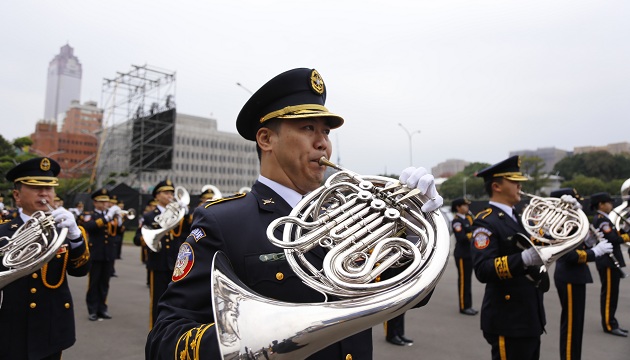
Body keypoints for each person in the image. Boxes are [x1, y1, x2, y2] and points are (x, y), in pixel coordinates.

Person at [146, 68, 443, 359]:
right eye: (307, 128)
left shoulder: (349, 212)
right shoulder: (224, 221)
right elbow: (166, 339)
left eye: (325, 131)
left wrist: (411, 231)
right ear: (266, 139)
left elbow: (408, 295)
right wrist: (247, 343)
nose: (322, 142)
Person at [0, 157, 91, 359]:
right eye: (36, 187)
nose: (44, 193)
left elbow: (80, 270)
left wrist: (76, 237)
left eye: (49, 188)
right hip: (10, 325)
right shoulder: (3, 231)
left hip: (51, 325)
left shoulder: (66, 231)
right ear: (17, 195)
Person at [470, 155, 547, 360]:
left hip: (529, 315)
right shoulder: (485, 222)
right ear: (496, 186)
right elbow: (483, 269)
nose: (519, 186)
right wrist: (524, 259)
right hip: (508, 319)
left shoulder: (518, 218)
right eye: (514, 182)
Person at [551, 188, 612, 359]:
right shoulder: (560, 222)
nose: (576, 205)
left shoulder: (568, 221)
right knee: (571, 325)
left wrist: (590, 242)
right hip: (569, 277)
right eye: (572, 202)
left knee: (576, 325)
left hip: (574, 276)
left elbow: (576, 247)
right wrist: (595, 252)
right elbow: (568, 255)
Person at [134, 179, 191, 330]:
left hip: (176, 262)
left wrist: (186, 213)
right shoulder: (149, 216)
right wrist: (149, 239)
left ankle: (172, 328)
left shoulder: (178, 213)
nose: (170, 196)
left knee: (177, 298)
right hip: (158, 262)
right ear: (157, 196)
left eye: (171, 193)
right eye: (166, 193)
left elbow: (187, 232)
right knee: (158, 299)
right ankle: (156, 330)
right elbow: (137, 239)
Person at [590, 192, 630, 337]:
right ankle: (608, 324)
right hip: (607, 261)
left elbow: (614, 234)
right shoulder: (602, 220)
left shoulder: (605, 219)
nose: (611, 205)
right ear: (601, 204)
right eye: (609, 202)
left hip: (610, 261)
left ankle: (612, 321)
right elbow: (613, 238)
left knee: (612, 294)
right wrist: (627, 235)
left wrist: (625, 229)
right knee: (609, 295)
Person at [79, 188, 121, 321]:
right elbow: (88, 227)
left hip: (108, 253)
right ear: (95, 202)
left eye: (107, 202)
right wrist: (107, 217)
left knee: (104, 283)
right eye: (101, 202)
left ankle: (102, 308)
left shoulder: (111, 216)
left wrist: (118, 219)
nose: (105, 204)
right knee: (94, 282)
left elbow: (118, 231)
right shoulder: (90, 215)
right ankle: (92, 309)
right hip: (96, 253)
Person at [451, 197, 478, 316]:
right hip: (462, 254)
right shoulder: (457, 221)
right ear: (458, 207)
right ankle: (463, 306)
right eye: (464, 205)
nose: (467, 208)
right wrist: (473, 233)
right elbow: (461, 238)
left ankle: (469, 305)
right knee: (463, 281)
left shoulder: (468, 218)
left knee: (468, 280)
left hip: (469, 253)